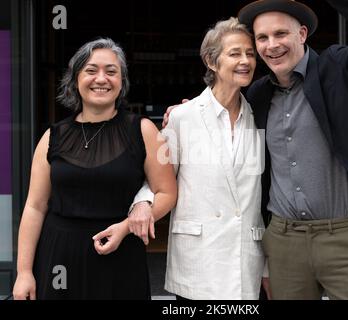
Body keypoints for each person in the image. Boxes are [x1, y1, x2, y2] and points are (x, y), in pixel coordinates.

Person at [234, 0, 348, 299]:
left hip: (347, 242)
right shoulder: (257, 94)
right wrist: (188, 113)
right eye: (262, 38)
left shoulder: (339, 68)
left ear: (302, 34)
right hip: (285, 244)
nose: (272, 45)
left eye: (281, 34)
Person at [12, 38, 177, 300]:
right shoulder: (52, 136)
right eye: (91, 70)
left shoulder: (144, 130)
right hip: (59, 259)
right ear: (76, 79)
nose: (101, 79)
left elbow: (167, 193)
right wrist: (23, 272)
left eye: (111, 72)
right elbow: (35, 206)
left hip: (121, 254)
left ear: (121, 81)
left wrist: (126, 227)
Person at [133, 17, 267, 300]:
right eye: (235, 53)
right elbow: (159, 177)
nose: (246, 61)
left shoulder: (261, 115)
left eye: (250, 54)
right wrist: (143, 203)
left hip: (245, 259)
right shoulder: (184, 117)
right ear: (211, 61)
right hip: (199, 261)